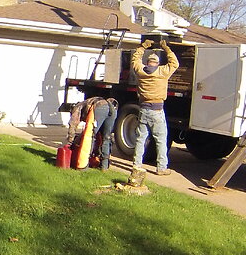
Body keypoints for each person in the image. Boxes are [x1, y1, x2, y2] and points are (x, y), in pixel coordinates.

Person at [130, 38, 179, 175]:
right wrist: (167, 48)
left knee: (140, 139)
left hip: (143, 109)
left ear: (147, 62)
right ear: (157, 63)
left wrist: (143, 47)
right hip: (157, 110)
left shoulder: (140, 71)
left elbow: (135, 59)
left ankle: (136, 165)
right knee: (161, 139)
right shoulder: (162, 72)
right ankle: (161, 167)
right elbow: (174, 63)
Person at [65, 96, 119, 171]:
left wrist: (69, 142)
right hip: (112, 108)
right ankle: (104, 166)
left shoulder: (76, 108)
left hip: (99, 107)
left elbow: (72, 125)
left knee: (89, 136)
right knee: (106, 137)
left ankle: (82, 166)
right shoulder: (85, 104)